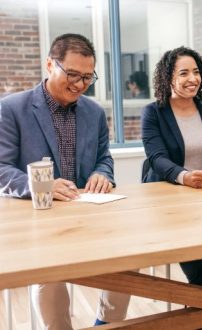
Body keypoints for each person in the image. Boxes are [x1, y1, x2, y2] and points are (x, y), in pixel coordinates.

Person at [94, 46, 202, 325]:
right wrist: (184, 176)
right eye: (183, 73)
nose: (192, 78)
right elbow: (156, 158)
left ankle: (196, 302)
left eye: (196, 72)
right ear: (168, 78)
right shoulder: (153, 112)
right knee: (192, 246)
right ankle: (201, 306)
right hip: (169, 197)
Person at [0, 33, 114, 329]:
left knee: (132, 260)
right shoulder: (12, 108)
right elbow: (1, 168)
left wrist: (103, 173)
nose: (79, 84)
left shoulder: (95, 112)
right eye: (72, 74)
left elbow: (105, 157)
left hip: (87, 217)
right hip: (40, 221)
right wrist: (42, 186)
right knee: (50, 276)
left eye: (88, 78)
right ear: (50, 64)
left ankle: (107, 322)